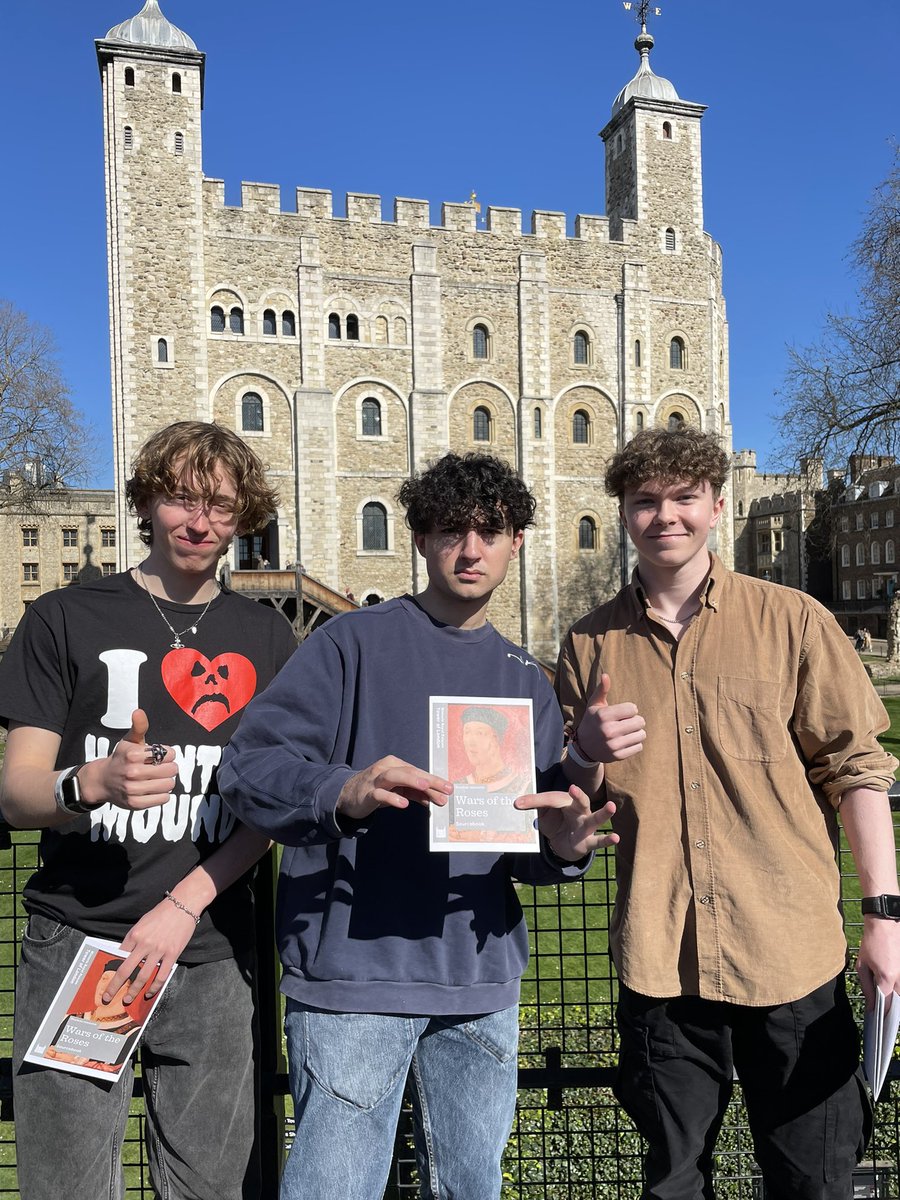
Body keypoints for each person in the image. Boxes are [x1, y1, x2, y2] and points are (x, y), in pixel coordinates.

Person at [218, 451, 616, 1200]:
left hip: (479, 986)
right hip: (353, 986)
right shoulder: (349, 645)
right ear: (420, 539)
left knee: (471, 1189)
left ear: (516, 543)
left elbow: (522, 846)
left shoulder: (524, 682)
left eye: (490, 532)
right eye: (451, 531)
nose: (471, 550)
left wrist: (562, 848)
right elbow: (247, 768)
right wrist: (346, 788)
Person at [555, 425, 900, 1200]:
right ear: (623, 513)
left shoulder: (794, 620)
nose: (664, 516)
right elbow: (572, 802)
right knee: (672, 1184)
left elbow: (856, 770)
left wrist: (883, 916)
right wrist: (581, 752)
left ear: (717, 505)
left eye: (683, 498)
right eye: (645, 500)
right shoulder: (588, 645)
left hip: (788, 953)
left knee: (812, 1180)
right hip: (662, 957)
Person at [0, 421, 297, 1200]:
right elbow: (17, 789)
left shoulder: (269, 637)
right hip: (84, 945)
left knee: (212, 1188)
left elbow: (272, 808)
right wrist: (89, 782)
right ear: (147, 502)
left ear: (244, 517)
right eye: (181, 499)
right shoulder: (64, 619)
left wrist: (182, 904)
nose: (199, 522)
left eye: (221, 506)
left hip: (210, 956)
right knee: (68, 1187)